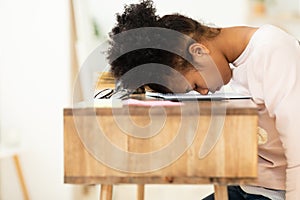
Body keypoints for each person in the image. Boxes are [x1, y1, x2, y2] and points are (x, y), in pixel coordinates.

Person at [106, 0, 300, 199]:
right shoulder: (235, 69)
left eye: (196, 86)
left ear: (198, 51)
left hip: (279, 192)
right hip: (247, 188)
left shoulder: (273, 50)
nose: (204, 92)